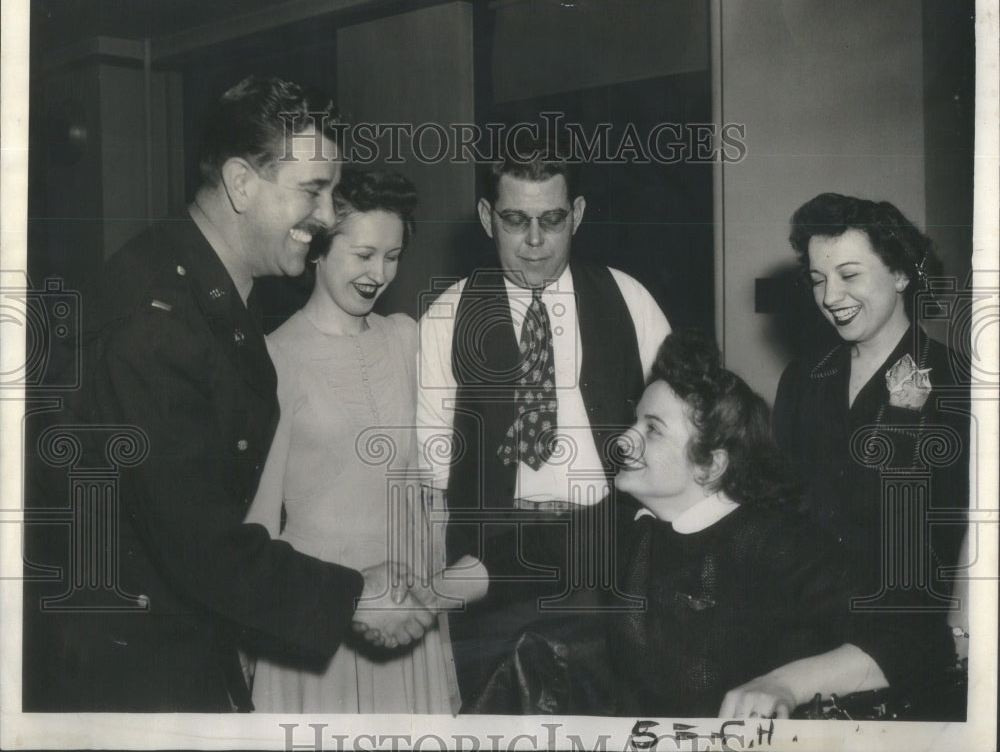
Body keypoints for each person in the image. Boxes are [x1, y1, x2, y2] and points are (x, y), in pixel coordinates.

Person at [22, 76, 430, 712]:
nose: (326, 217)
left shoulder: (207, 293)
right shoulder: (155, 321)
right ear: (242, 183)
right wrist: (352, 595)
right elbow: (201, 545)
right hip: (132, 677)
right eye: (312, 191)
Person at [471, 329, 892, 718]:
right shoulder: (630, 521)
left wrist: (783, 684)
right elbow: (529, 555)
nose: (623, 440)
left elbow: (906, 637)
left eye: (652, 430)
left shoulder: (780, 542)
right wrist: (428, 591)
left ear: (710, 465)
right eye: (635, 421)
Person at [416, 137, 671, 707]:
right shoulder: (446, 315)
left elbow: (684, 442)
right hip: (490, 571)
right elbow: (433, 476)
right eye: (515, 220)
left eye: (552, 220)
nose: (534, 242)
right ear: (487, 218)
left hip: (607, 566)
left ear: (576, 214)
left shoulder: (629, 299)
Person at [243, 168, 455, 713]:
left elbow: (431, 490)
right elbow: (260, 528)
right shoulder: (274, 359)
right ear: (317, 248)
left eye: (392, 256)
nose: (379, 274)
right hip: (321, 619)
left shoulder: (408, 337)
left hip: (407, 611)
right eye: (363, 255)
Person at [772, 193, 970, 717]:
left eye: (849, 275)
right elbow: (778, 508)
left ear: (902, 274)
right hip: (803, 627)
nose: (830, 295)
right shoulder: (802, 379)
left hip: (904, 646)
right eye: (818, 279)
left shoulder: (957, 383)